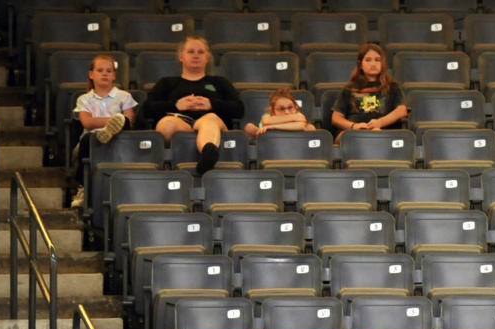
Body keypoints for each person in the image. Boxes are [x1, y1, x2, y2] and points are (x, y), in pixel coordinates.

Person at [142, 36, 243, 174]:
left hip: (211, 123)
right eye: (191, 51)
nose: (196, 55)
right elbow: (147, 109)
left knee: (210, 119)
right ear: (181, 57)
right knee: (167, 124)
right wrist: (176, 106)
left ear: (207, 57)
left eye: (200, 52)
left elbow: (239, 109)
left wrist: (212, 104)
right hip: (179, 123)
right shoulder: (166, 83)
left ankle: (208, 154)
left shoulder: (219, 82)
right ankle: (203, 147)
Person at [70, 55, 138, 208]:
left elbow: (128, 122)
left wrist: (110, 122)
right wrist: (113, 121)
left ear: (114, 75)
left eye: (109, 71)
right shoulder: (84, 99)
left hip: (119, 139)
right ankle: (83, 188)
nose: (105, 74)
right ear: (91, 74)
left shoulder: (124, 96)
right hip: (92, 140)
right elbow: (87, 122)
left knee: (123, 124)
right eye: (100, 70)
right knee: (89, 139)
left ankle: (110, 132)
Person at [330, 43, 407, 144]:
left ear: (383, 64)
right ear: (360, 64)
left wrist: (379, 123)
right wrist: (354, 126)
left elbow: (402, 111)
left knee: (375, 134)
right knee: (347, 136)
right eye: (368, 60)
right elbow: (336, 118)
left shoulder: (392, 86)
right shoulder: (349, 88)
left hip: (383, 132)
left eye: (377, 60)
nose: (373, 64)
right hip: (354, 132)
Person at [243, 87, 315, 137]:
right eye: (281, 109)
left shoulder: (299, 116)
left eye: (290, 108)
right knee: (249, 127)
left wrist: (273, 126)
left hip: (295, 144)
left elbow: (301, 125)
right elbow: (266, 121)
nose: (287, 112)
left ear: (296, 107)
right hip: (271, 145)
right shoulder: (268, 117)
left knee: (310, 127)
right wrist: (294, 119)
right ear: (272, 111)